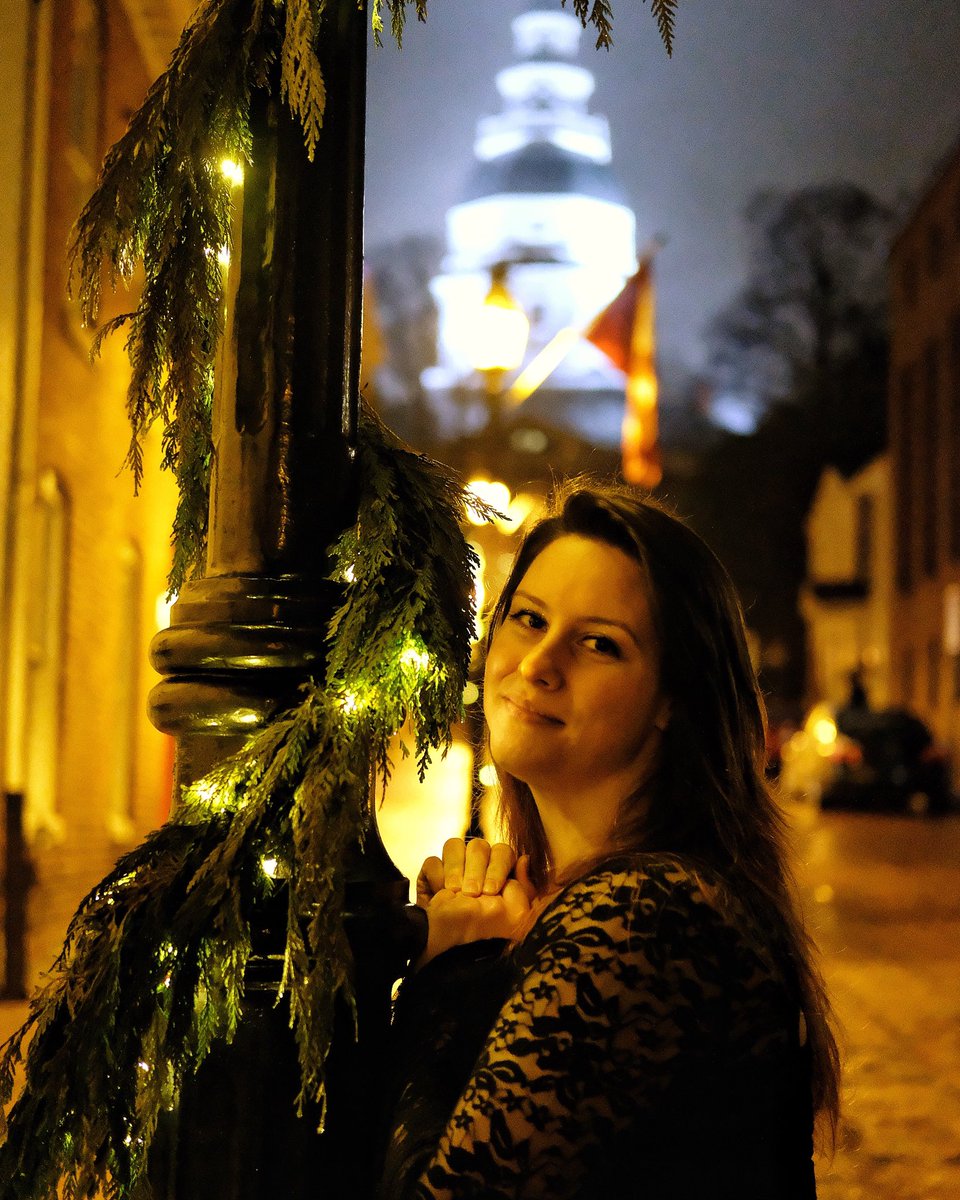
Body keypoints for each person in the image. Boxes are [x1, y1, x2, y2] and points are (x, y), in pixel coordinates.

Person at [379, 482, 840, 1200]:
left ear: (671, 703)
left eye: (600, 644)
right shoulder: (602, 899)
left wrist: (453, 976)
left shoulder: (645, 918)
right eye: (528, 619)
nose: (537, 664)